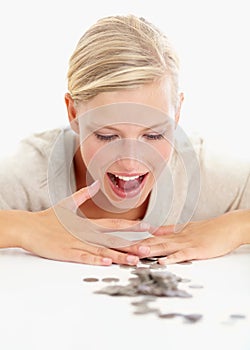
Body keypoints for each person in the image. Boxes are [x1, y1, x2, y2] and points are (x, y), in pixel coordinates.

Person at [0, 14, 249, 266]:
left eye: (153, 135)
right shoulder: (32, 171)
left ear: (177, 113)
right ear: (73, 113)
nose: (130, 162)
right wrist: (24, 228)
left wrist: (237, 227)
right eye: (107, 136)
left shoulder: (203, 173)